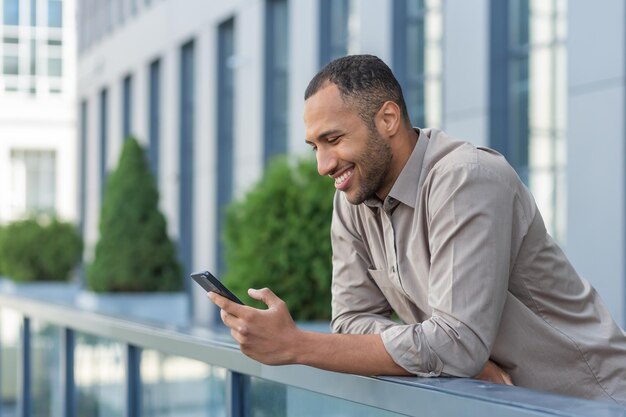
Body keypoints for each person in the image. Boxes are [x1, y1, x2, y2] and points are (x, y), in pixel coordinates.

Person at [208, 54, 626, 404]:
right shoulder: (352, 200)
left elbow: (454, 345)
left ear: (388, 118)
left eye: (333, 139)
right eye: (315, 146)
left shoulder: (466, 178)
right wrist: (454, 353)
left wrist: (297, 345)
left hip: (589, 400)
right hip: (499, 401)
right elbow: (352, 321)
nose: (323, 164)